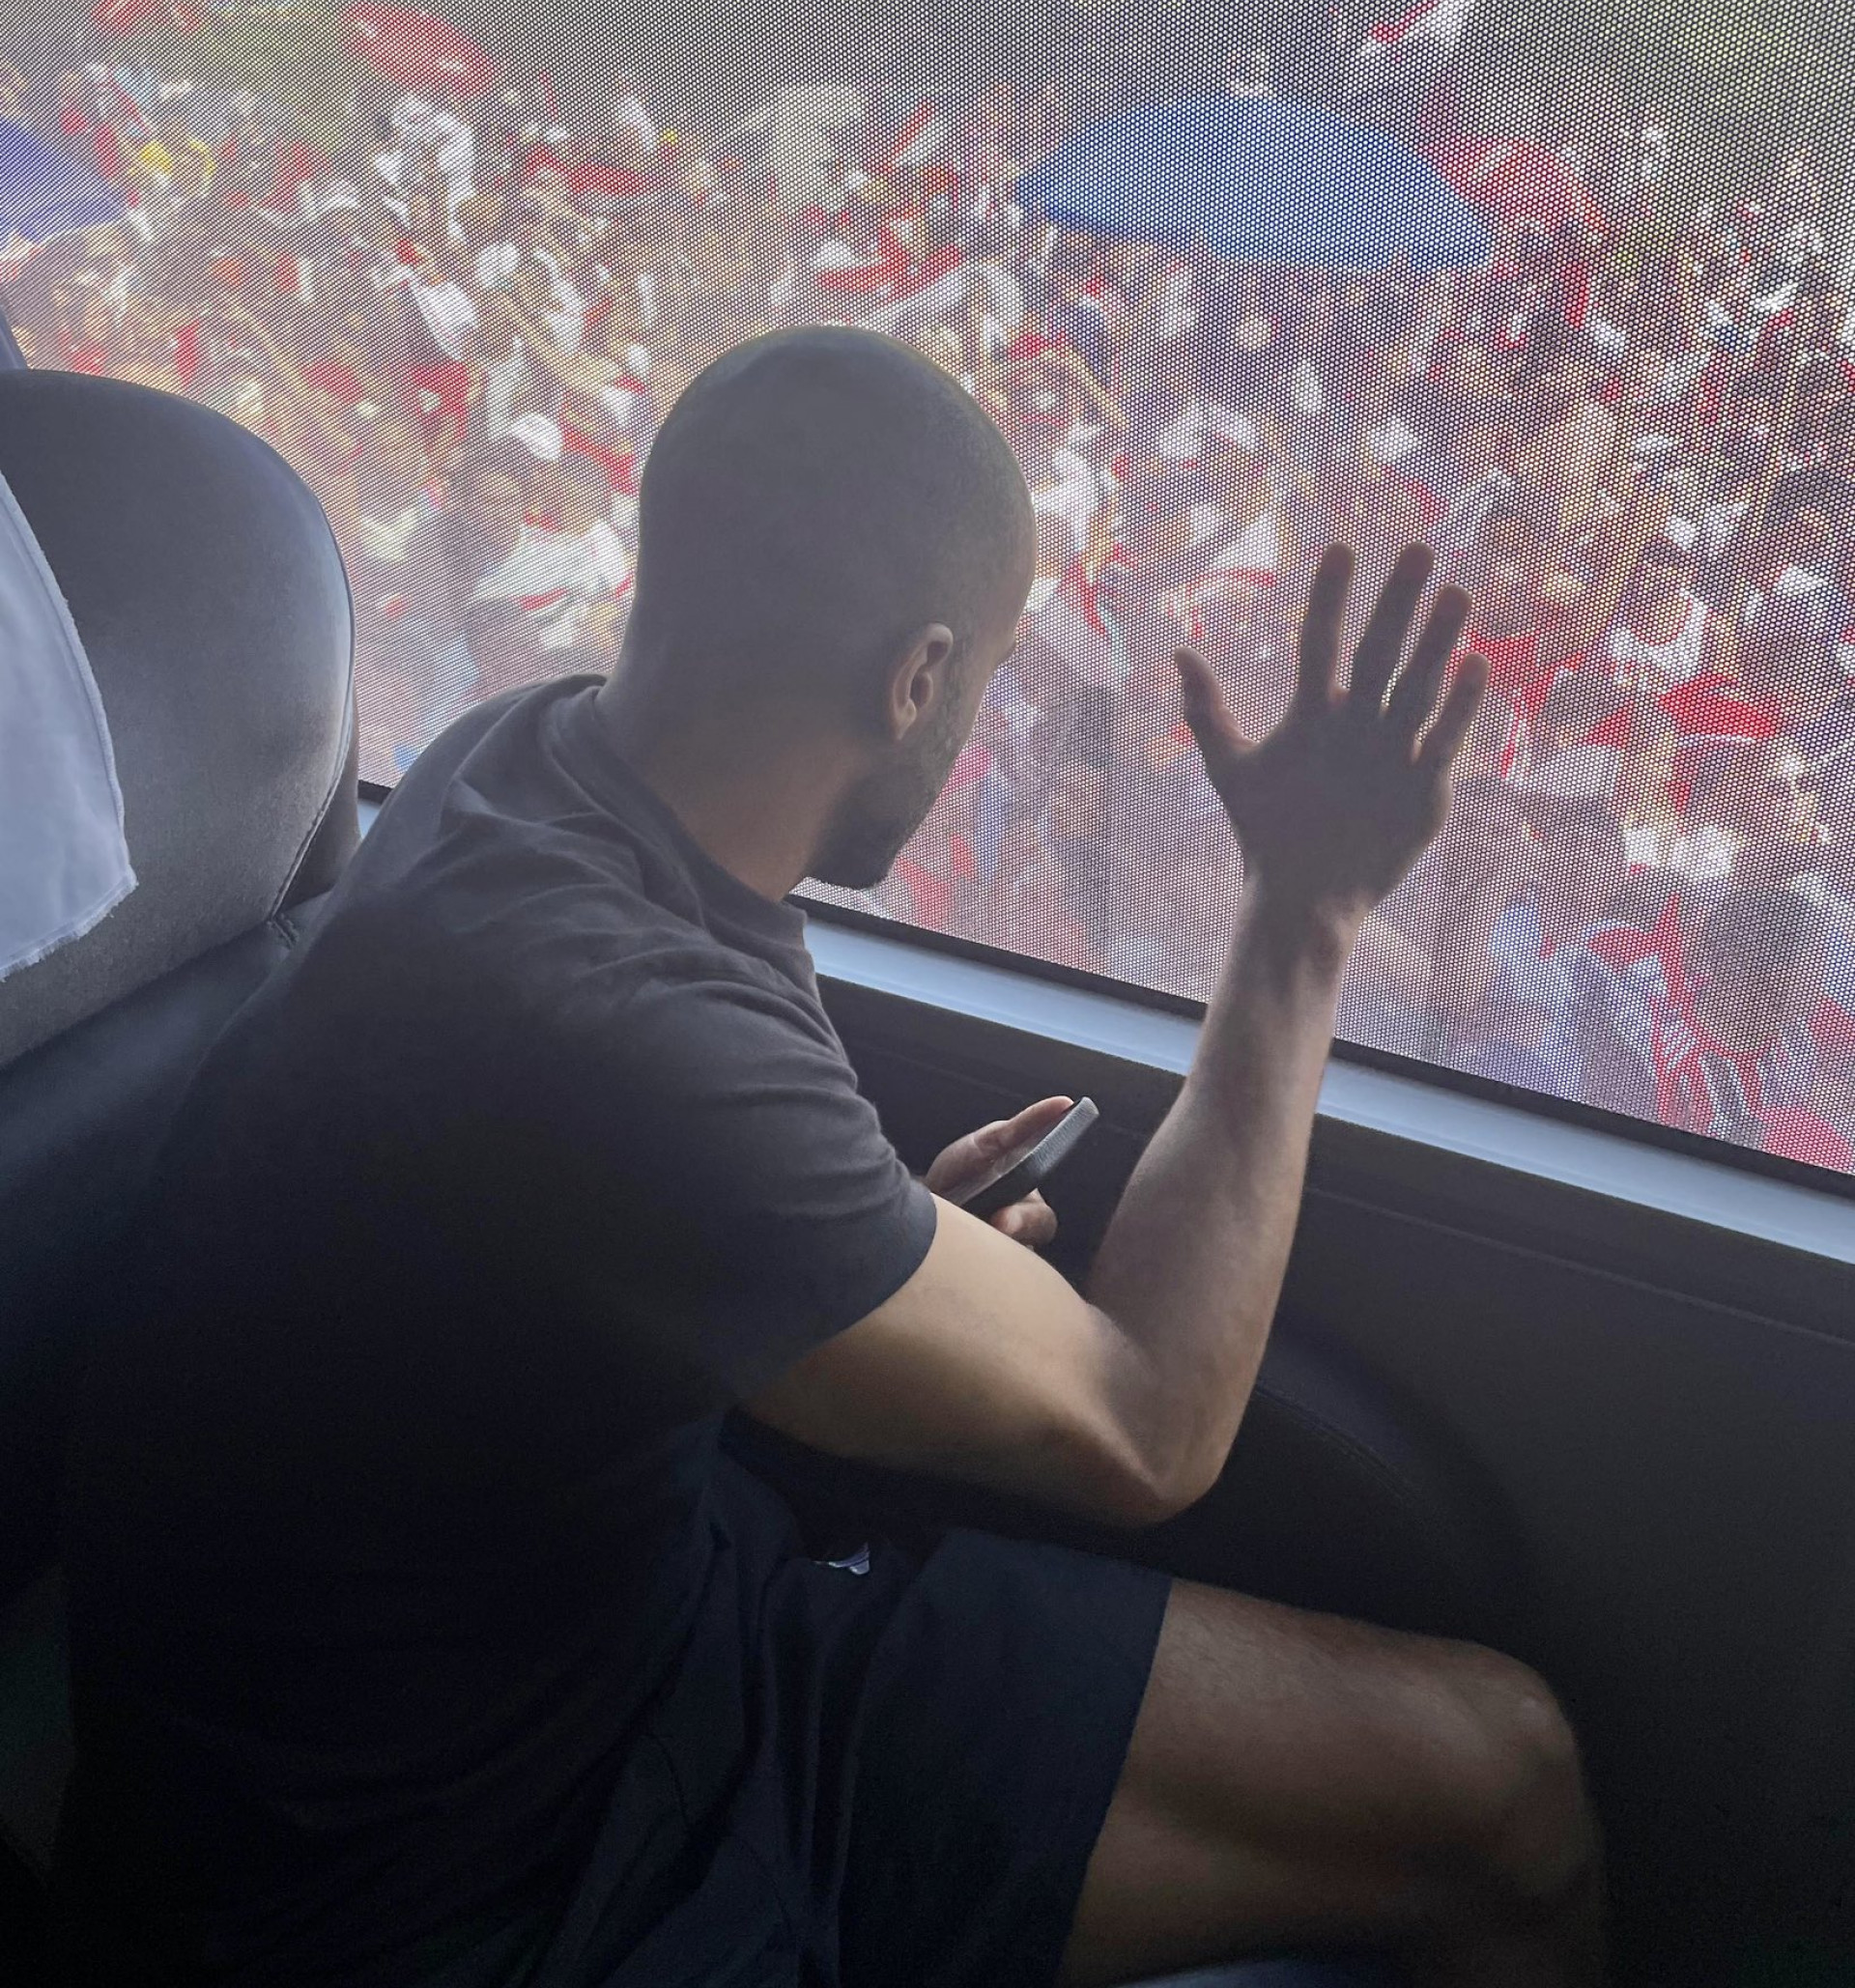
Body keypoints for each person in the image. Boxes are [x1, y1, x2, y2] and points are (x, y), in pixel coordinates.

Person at [53, 326, 1600, 1988]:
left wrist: (852, 1248)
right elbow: (1151, 1429)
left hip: (637, 1640)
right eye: (986, 675)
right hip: (457, 1889)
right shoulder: (607, 1026)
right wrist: (1304, 911)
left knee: (1507, 1775)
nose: (979, 720)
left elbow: (563, 1254)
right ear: (916, 677)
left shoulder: (529, 758)